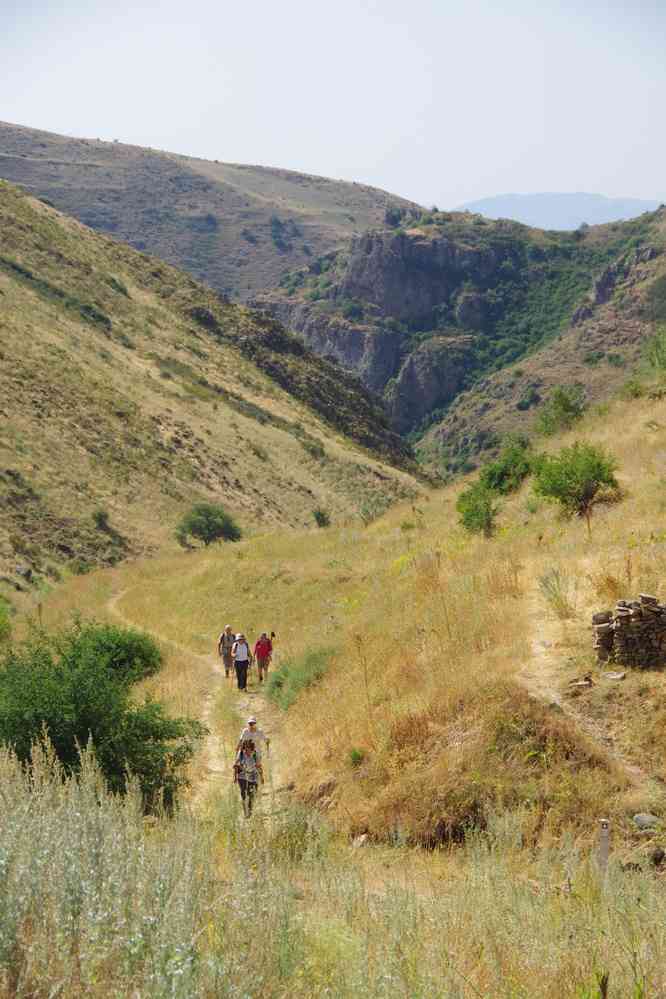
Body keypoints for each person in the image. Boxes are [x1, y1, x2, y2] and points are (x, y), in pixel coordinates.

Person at [233, 739, 263, 817]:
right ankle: (245, 811)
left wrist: (261, 777)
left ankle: (249, 810)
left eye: (249, 748)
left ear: (252, 748)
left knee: (252, 794)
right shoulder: (241, 754)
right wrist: (235, 777)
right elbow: (236, 765)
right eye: (245, 748)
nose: (247, 750)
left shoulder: (255, 754)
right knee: (243, 792)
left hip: (253, 775)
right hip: (242, 775)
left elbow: (259, 766)